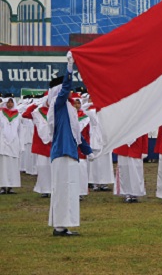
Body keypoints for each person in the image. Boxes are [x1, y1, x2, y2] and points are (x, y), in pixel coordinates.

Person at [48, 52, 94, 236]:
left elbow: (77, 136)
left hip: (70, 154)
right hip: (61, 153)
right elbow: (65, 87)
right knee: (62, 189)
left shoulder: (69, 111)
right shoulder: (58, 105)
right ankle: (59, 227)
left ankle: (63, 225)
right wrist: (69, 66)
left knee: (69, 189)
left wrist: (88, 151)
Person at [113, 133, 148, 203]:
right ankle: (126, 193)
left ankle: (135, 193)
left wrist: (144, 150)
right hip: (123, 147)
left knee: (136, 173)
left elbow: (145, 133)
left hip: (137, 147)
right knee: (124, 172)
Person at [0, 94, 21, 195]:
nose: (10, 104)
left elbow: (20, 130)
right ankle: (3, 186)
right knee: (3, 165)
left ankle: (11, 186)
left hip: (14, 142)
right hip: (3, 142)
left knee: (13, 165)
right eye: (8, 102)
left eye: (11, 102)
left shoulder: (18, 114)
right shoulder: (1, 113)